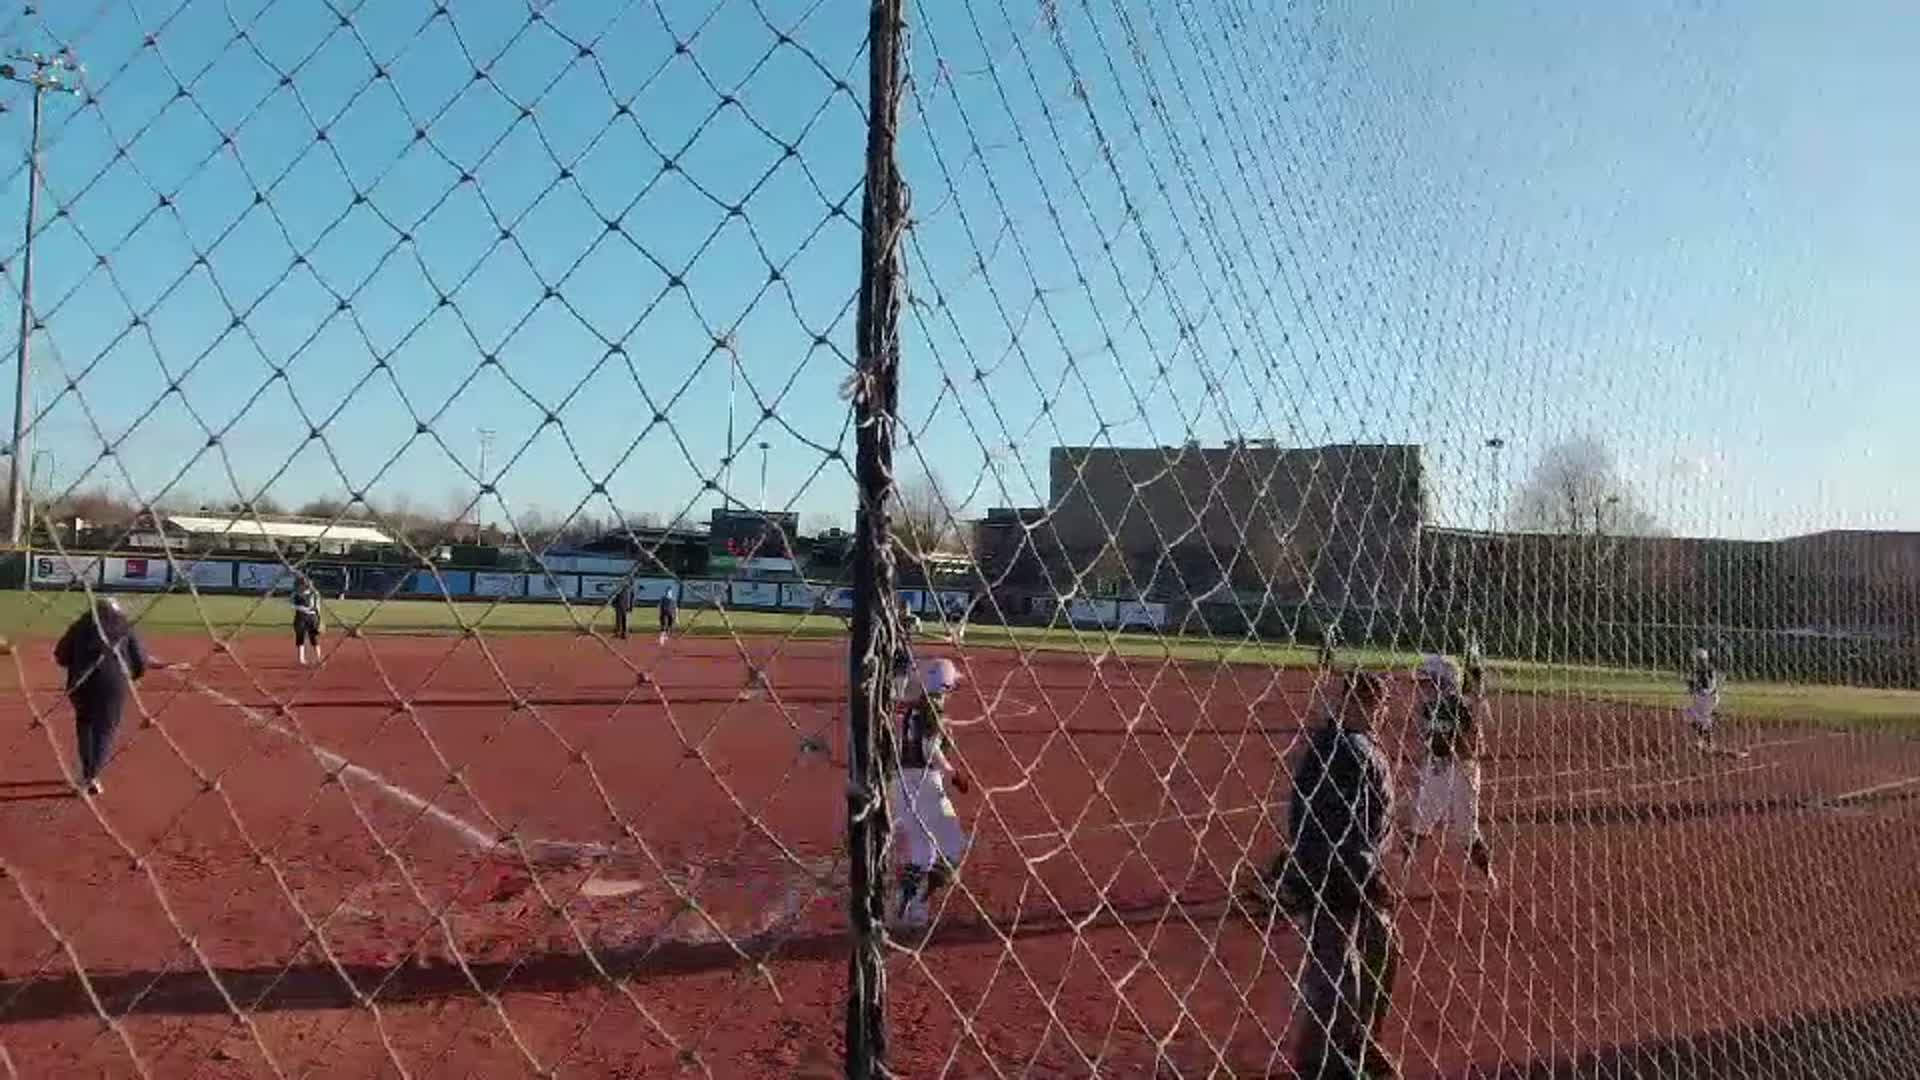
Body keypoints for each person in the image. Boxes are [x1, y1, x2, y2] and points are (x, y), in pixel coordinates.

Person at [1263, 670, 1400, 1079]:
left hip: (1353, 872)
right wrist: (1362, 876)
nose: (1378, 708)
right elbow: (1330, 825)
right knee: (1339, 971)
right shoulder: (1341, 750)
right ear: (1347, 702)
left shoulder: (1355, 745)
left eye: (1379, 701)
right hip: (1337, 876)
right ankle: (1324, 1063)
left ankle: (1357, 1042)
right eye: (1370, 700)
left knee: (1381, 949)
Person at [891, 657, 971, 927]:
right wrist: (953, 773)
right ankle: (923, 900)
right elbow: (929, 748)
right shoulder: (934, 710)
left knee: (922, 852)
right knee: (955, 845)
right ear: (945, 687)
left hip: (900, 781)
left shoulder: (911, 709)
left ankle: (908, 909)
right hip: (925, 782)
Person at [1407, 654, 1497, 889]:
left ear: (1445, 681)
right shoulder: (1428, 707)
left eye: (1430, 681)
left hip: (1463, 771)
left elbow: (1479, 749)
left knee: (1466, 830)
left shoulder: (1465, 707)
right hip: (1436, 767)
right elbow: (1427, 741)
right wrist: (1431, 755)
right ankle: (1401, 873)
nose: (1424, 687)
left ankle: (1488, 876)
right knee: (1420, 822)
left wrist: (1458, 743)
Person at [53, 597, 152, 797]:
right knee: (105, 729)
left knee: (85, 724)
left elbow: (60, 655)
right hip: (113, 684)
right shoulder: (124, 625)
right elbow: (140, 660)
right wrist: (134, 674)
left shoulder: (80, 624)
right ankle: (92, 776)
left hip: (81, 682)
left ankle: (87, 770)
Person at [1685, 647, 1724, 752]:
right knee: (1689, 715)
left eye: (1697, 659)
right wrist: (1692, 685)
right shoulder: (1698, 670)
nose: (1695, 661)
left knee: (1703, 720)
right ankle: (1701, 742)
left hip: (1708, 698)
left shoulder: (1708, 670)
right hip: (1702, 698)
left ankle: (1709, 744)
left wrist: (1694, 686)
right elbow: (1694, 687)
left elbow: (1708, 687)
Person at [291, 579, 323, 666]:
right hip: (300, 617)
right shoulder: (296, 594)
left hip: (312, 617)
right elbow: (292, 605)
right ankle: (301, 659)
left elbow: (317, 607)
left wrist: (319, 620)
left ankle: (319, 658)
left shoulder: (314, 593)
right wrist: (303, 609)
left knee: (314, 638)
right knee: (300, 637)